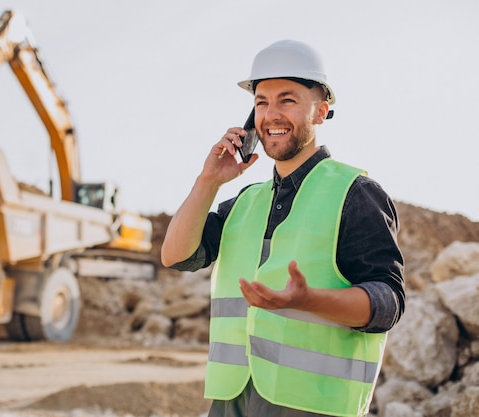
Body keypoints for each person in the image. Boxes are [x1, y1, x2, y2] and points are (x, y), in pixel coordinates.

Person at [161, 39, 405, 417]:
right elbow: (177, 256)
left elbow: (388, 304)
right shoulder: (245, 201)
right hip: (232, 401)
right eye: (261, 102)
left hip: (312, 405)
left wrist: (309, 301)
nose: (271, 114)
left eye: (287, 100)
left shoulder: (356, 194)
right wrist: (208, 181)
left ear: (321, 112)